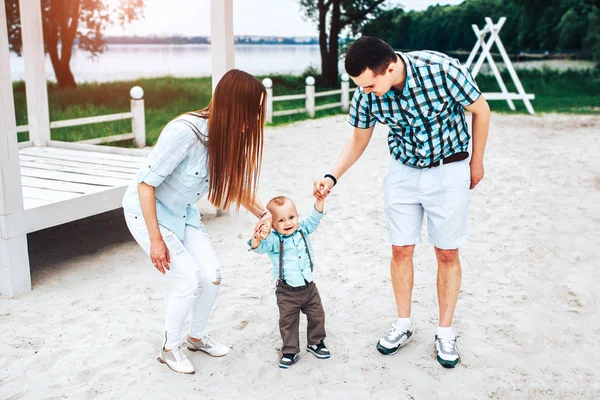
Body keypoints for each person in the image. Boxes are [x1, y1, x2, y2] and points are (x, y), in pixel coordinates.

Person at [313, 36, 490, 368]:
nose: (365, 92)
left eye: (369, 84)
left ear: (390, 67)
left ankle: (445, 331)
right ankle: (404, 323)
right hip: (403, 171)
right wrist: (331, 176)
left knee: (447, 251)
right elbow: (357, 140)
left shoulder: (443, 70)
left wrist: (476, 163)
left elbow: (481, 109)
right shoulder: (366, 93)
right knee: (400, 248)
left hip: (449, 167)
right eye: (359, 86)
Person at [122, 69, 273, 375]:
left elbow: (237, 186)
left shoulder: (230, 136)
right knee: (189, 281)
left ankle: (196, 336)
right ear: (232, 106)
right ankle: (169, 348)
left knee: (212, 275)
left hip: (183, 213)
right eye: (250, 112)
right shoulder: (185, 132)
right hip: (148, 212)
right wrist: (155, 240)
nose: (254, 121)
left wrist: (264, 212)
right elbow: (145, 184)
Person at [249, 195, 330, 369]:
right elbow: (259, 248)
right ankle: (290, 350)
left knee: (317, 315)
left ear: (297, 216)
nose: (288, 223)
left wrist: (320, 201)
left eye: (291, 217)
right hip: (287, 292)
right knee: (288, 321)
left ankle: (315, 342)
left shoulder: (303, 229)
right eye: (281, 220)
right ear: (272, 224)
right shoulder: (273, 240)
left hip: (309, 287)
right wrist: (257, 238)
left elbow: (315, 218)